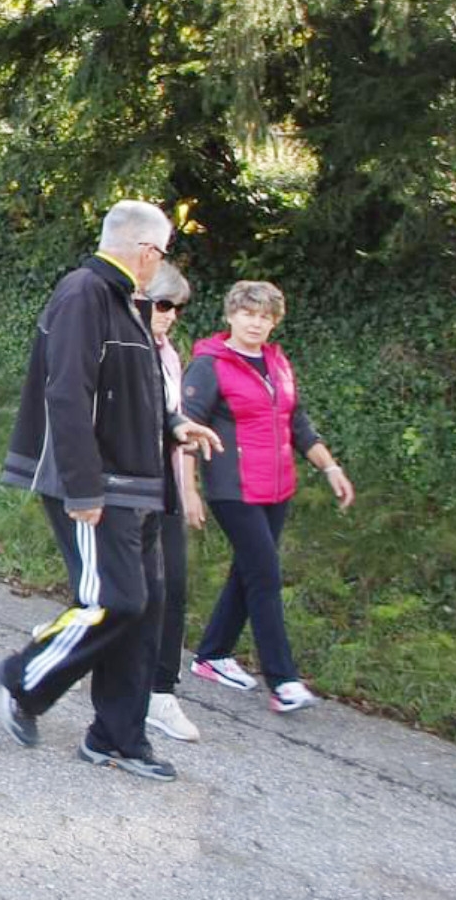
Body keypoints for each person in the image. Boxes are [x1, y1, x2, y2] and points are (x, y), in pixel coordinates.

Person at [0, 200, 220, 783]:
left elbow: (139, 392)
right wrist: (82, 487)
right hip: (98, 487)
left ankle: (116, 739)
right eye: (161, 253)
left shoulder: (130, 305)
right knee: (113, 600)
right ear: (147, 251)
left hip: (141, 485)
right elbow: (67, 393)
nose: (159, 265)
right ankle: (23, 677)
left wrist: (176, 426)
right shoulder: (83, 295)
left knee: (144, 613)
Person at [183, 281, 355, 713]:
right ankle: (283, 682)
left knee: (249, 571)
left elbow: (297, 423)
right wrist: (189, 489)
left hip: (277, 487)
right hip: (232, 488)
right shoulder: (209, 365)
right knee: (266, 575)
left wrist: (330, 467)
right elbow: (184, 430)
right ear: (230, 315)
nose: (256, 322)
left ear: (275, 321)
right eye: (248, 313)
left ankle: (212, 655)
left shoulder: (277, 363)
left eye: (265, 316)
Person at [142, 261, 203, 743]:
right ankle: (63, 648)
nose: (170, 315)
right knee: (125, 594)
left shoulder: (169, 355)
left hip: (163, 481)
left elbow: (174, 421)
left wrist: (187, 486)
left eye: (176, 307)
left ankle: (161, 691)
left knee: (173, 586)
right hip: (127, 485)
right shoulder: (123, 350)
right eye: (162, 304)